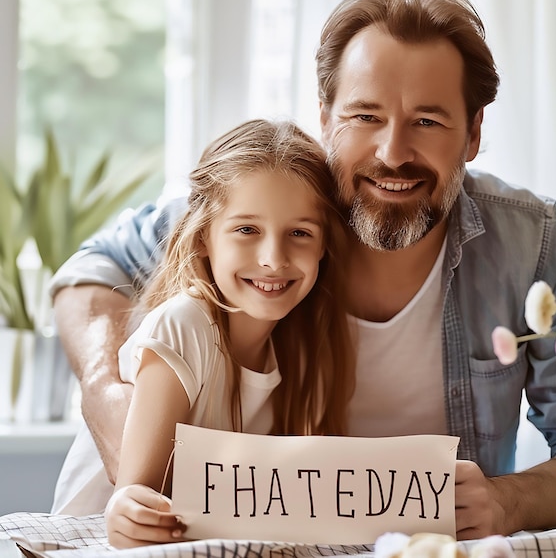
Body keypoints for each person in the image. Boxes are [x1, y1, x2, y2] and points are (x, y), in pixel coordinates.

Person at [50, 0, 556, 540]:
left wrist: (507, 501)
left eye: (427, 121)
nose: (393, 153)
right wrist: (106, 392)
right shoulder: (261, 207)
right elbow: (90, 271)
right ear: (325, 117)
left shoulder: (540, 244)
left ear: (473, 133)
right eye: (365, 116)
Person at [53, 119, 356, 548]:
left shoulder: (305, 350)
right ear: (203, 239)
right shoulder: (184, 327)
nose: (273, 258)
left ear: (324, 245)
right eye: (247, 230)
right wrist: (130, 512)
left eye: (300, 233)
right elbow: (136, 498)